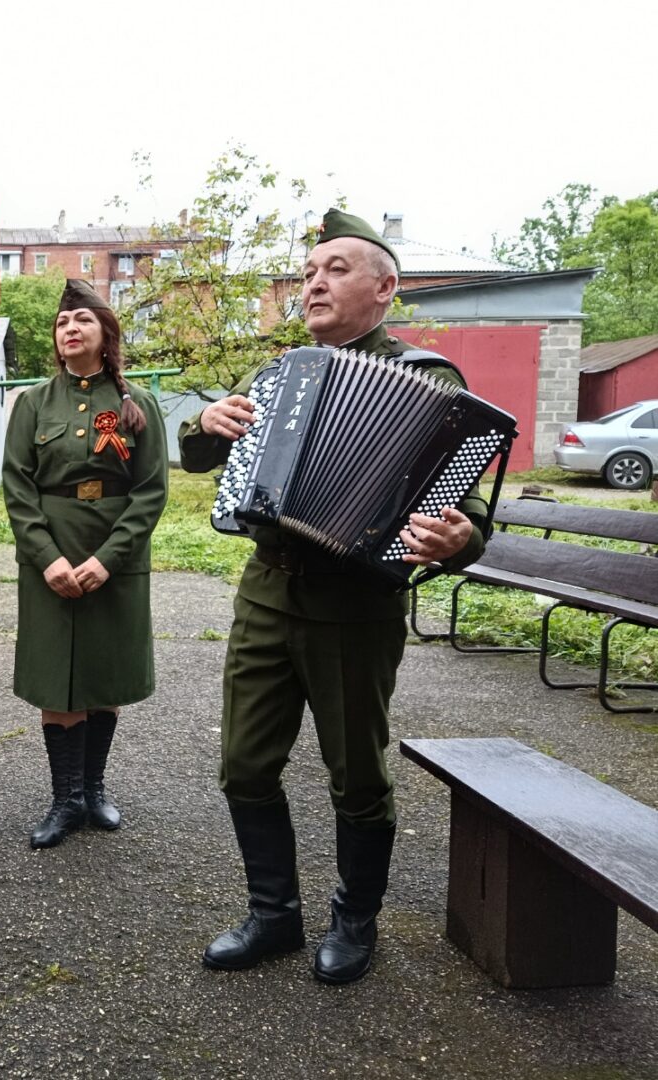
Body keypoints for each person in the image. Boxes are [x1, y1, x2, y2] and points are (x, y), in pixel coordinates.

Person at [178, 209, 491, 984]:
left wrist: (459, 539)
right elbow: (197, 454)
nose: (314, 280)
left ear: (384, 289)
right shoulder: (278, 371)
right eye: (309, 270)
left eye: (336, 268)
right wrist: (205, 421)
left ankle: (355, 921)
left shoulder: (428, 381)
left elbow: (467, 509)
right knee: (244, 766)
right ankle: (272, 916)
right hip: (266, 593)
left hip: (355, 609)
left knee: (355, 774)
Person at [2, 279, 169, 850]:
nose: (69, 329)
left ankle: (94, 789)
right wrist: (47, 560)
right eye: (62, 322)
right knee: (57, 677)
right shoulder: (33, 403)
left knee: (104, 672)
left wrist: (108, 559)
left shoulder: (137, 405)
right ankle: (65, 799)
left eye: (83, 320)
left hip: (115, 558)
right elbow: (17, 489)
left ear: (105, 334)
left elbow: (150, 492)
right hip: (51, 554)